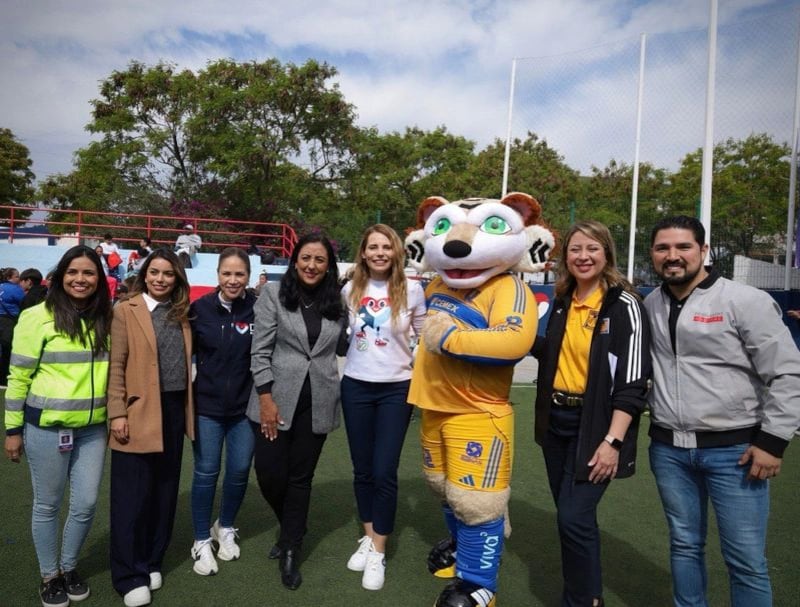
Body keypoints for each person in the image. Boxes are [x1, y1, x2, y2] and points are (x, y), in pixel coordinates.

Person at [644, 215, 800, 607]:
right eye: (663, 248)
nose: (673, 256)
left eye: (683, 247)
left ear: (704, 251)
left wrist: (773, 440)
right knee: (684, 546)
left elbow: (787, 372)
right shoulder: (650, 303)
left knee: (745, 560)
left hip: (736, 452)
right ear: (653, 254)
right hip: (669, 451)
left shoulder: (744, 300)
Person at [532, 221, 651, 607]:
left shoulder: (624, 304)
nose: (583, 257)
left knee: (574, 518)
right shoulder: (563, 298)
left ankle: (585, 600)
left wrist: (612, 441)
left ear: (607, 254)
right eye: (575, 249)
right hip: (556, 423)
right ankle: (582, 595)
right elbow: (550, 352)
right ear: (565, 256)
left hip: (597, 428)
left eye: (592, 249)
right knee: (572, 521)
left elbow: (633, 384)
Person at [3, 245, 112, 607]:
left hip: (93, 429)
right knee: (48, 505)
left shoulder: (105, 318)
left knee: (85, 504)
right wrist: (12, 430)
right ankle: (50, 575)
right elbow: (18, 379)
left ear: (99, 279)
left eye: (89, 273)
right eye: (73, 272)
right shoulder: (36, 317)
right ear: (61, 276)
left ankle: (68, 567)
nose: (80, 279)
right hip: (47, 429)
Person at [247, 233, 346, 591]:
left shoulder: (338, 301)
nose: (312, 265)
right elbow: (259, 351)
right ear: (295, 260)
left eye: (320, 260)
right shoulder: (273, 295)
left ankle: (291, 545)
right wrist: (266, 398)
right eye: (306, 258)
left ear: (328, 266)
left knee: (300, 479)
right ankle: (294, 524)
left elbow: (346, 343)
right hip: (275, 399)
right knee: (270, 475)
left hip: (318, 401)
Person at [340, 224, 426, 590]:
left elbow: (426, 338)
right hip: (356, 387)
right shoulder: (349, 289)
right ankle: (370, 534)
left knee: (384, 470)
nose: (379, 253)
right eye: (372, 247)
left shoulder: (413, 289)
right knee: (362, 470)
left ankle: (378, 550)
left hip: (396, 389)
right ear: (363, 252)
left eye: (385, 247)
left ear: (395, 252)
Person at [107, 249, 194, 607]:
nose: (160, 279)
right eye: (154, 272)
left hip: (174, 410)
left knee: (164, 491)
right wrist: (117, 412)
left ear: (177, 279)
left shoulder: (182, 313)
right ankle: (129, 574)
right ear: (144, 274)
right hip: (138, 411)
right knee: (131, 496)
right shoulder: (125, 310)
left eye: (168, 274)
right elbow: (116, 365)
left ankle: (152, 559)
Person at [189, 248, 257, 576]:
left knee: (240, 469)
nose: (233, 280)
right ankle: (201, 538)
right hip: (207, 407)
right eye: (227, 274)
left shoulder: (259, 308)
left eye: (239, 274)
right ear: (217, 275)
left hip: (245, 409)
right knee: (206, 471)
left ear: (247, 276)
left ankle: (225, 526)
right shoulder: (199, 309)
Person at [0, 266, 25, 385]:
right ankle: (5, 377)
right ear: (9, 277)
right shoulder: (15, 289)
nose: (19, 279)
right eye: (17, 276)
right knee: (8, 350)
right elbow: (24, 302)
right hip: (9, 321)